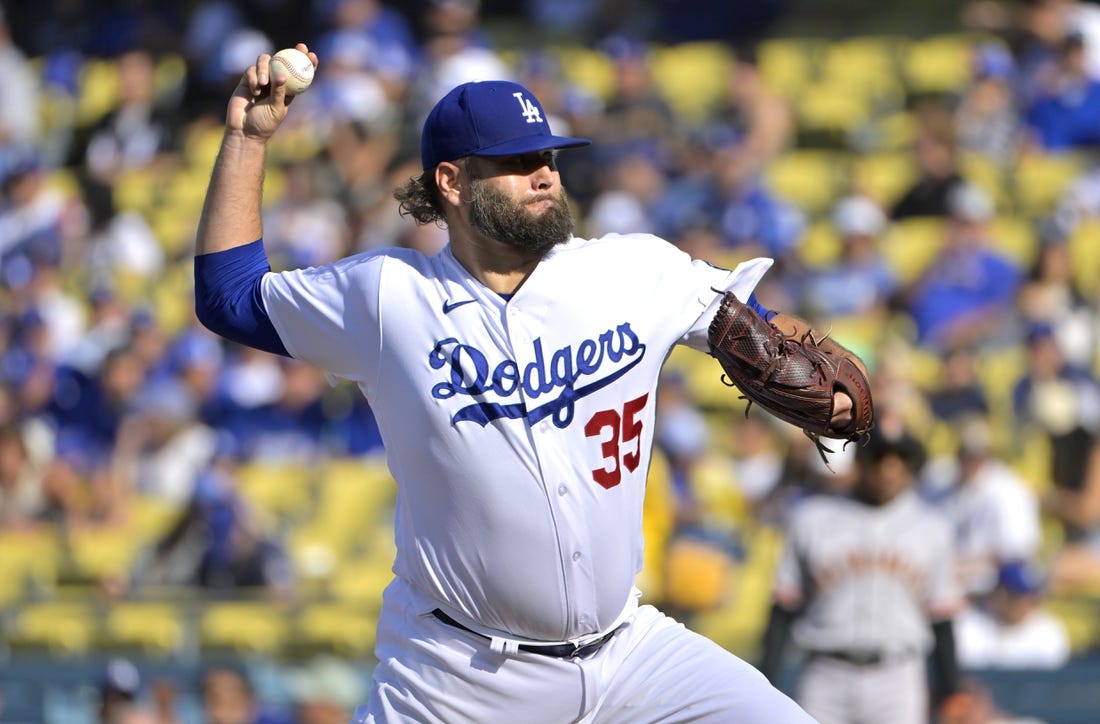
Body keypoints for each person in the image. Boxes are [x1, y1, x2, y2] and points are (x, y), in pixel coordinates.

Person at [192, 43, 868, 721]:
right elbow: (228, 297)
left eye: (546, 158)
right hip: (457, 677)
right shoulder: (388, 298)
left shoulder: (631, 271)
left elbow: (754, 323)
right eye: (516, 163)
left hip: (629, 655)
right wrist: (247, 140)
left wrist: (824, 370)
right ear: (451, 183)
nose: (543, 174)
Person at [758, 423, 964, 724]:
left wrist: (951, 690)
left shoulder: (933, 528)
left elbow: (942, 619)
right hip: (825, 671)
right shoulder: (812, 519)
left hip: (897, 674)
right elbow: (784, 607)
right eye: (879, 458)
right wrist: (767, 679)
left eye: (897, 461)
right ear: (861, 461)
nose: (888, 470)